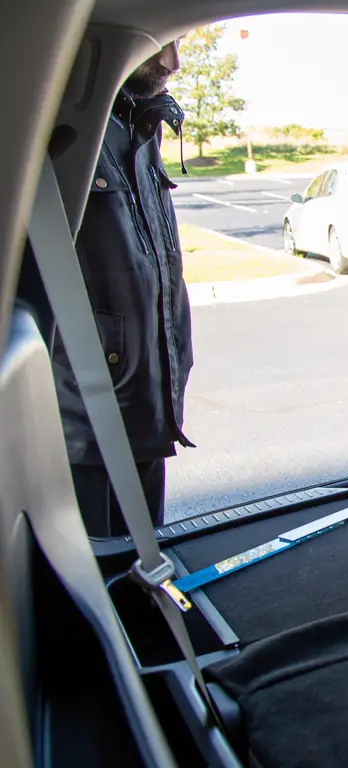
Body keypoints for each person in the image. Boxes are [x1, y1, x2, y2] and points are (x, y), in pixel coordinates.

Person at [51, 40, 194, 537]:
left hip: (145, 409)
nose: (172, 63)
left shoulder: (137, 126)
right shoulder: (57, 131)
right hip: (83, 426)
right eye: (162, 44)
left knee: (138, 576)